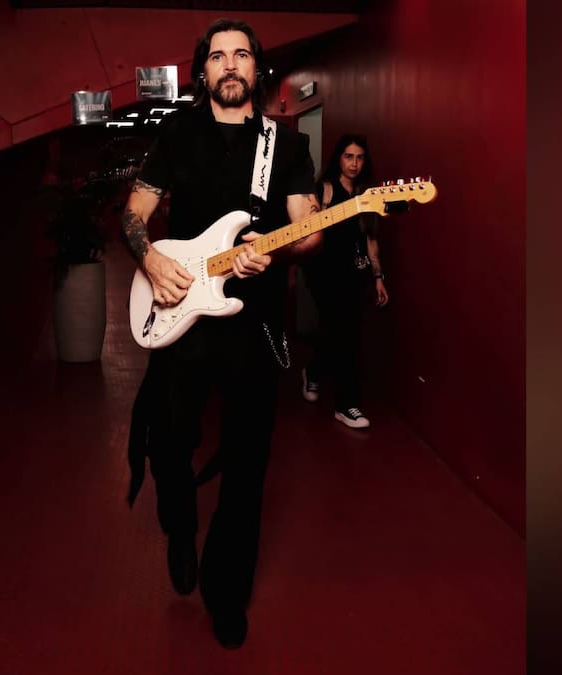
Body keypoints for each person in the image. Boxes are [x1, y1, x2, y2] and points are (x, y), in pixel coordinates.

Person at [120, 18, 321, 649]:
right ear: (202, 70)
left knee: (248, 461)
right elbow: (134, 214)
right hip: (182, 313)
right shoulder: (177, 133)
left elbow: (308, 230)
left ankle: (226, 590)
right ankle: (180, 526)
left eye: (241, 55)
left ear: (257, 69)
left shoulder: (286, 146)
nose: (230, 64)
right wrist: (150, 259)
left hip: (252, 322)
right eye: (217, 56)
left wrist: (277, 250)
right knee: (167, 443)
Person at [300, 134, 389, 428]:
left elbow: (371, 239)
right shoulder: (324, 189)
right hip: (324, 272)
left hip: (356, 272)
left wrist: (378, 277)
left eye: (360, 157)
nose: (354, 163)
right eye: (349, 156)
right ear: (339, 158)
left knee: (344, 334)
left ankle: (315, 374)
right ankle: (346, 404)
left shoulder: (367, 194)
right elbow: (306, 231)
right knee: (341, 334)